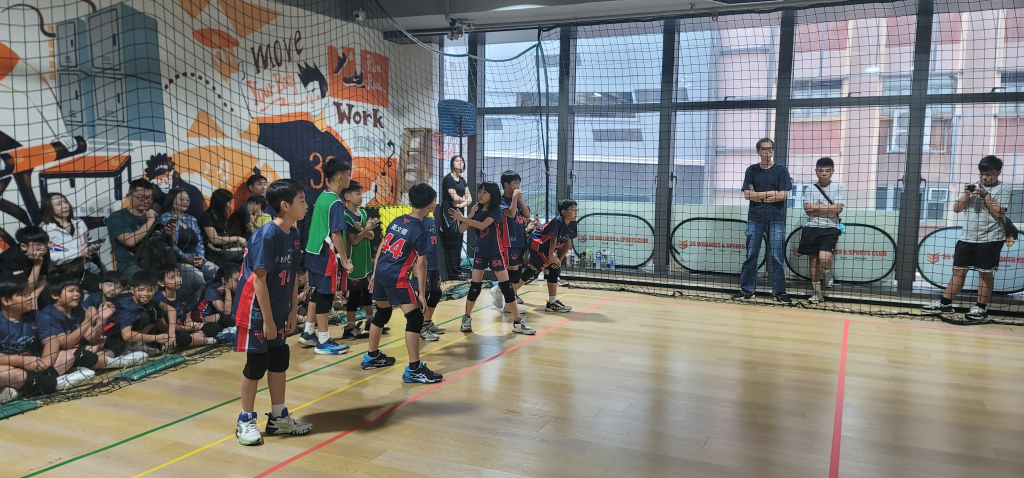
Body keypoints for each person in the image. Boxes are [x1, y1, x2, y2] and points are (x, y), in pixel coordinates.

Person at [233, 178, 312, 446]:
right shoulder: (267, 235)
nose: (306, 205)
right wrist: (267, 320)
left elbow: (291, 275)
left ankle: (278, 417)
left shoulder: (295, 233)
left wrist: (292, 309)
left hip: (278, 307)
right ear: (285, 205)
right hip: (256, 309)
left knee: (279, 359)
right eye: (302, 200)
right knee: (257, 363)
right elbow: (259, 282)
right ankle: (245, 420)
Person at [361, 183, 442, 383]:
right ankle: (414, 369)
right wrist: (421, 293)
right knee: (415, 318)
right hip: (396, 276)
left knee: (383, 312)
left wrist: (374, 273)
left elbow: (382, 245)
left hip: (381, 272)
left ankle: (372, 356)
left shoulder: (398, 220)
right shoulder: (421, 229)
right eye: (434, 200)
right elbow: (421, 264)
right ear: (430, 204)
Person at [922, 156, 1011, 320]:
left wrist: (985, 195)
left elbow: (999, 212)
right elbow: (956, 208)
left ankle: (980, 308)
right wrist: (966, 195)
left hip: (991, 238)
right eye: (982, 174)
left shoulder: (1004, 189)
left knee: (985, 274)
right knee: (958, 271)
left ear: (998, 172)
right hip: (967, 237)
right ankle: (945, 304)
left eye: (989, 174)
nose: (984, 177)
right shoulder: (973, 187)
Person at [451, 182, 534, 335]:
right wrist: (469, 215)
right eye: (480, 191)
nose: (481, 195)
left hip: (496, 253)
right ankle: (467, 318)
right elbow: (462, 229)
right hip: (480, 253)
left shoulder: (497, 210)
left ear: (493, 195)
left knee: (507, 287)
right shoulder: (477, 209)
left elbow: (483, 225)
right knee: (474, 287)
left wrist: (462, 217)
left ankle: (517, 321)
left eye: (485, 192)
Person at [1, 276, 99, 404]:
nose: (30, 297)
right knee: (6, 374)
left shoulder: (36, 315)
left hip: (34, 365)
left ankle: (22, 389)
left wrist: (46, 362)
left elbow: (52, 341)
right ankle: (55, 383)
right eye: (23, 295)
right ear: (6, 301)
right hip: (10, 366)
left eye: (29, 293)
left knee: (67, 357)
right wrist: (23, 361)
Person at [107, 179, 203, 303]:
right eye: (141, 197)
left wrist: (170, 233)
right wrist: (150, 221)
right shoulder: (118, 217)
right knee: (153, 287)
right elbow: (129, 241)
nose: (146, 201)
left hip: (158, 261)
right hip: (131, 263)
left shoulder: (155, 216)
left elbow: (170, 242)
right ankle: (160, 312)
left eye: (149, 198)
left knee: (195, 280)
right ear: (129, 196)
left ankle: (181, 309)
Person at [301, 158, 354, 355]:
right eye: (348, 175)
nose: (349, 178)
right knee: (325, 295)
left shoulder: (323, 196)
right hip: (326, 254)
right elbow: (336, 235)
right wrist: (345, 261)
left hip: (313, 251)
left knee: (318, 293)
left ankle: (308, 332)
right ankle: (323, 341)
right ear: (339, 177)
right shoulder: (336, 203)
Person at [37, 276, 148, 371]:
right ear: (55, 295)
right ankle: (117, 363)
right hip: (63, 356)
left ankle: (92, 363)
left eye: (78, 291)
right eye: (71, 291)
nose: (77, 294)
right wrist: (87, 322)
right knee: (82, 354)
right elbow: (66, 344)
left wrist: (102, 320)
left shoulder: (77, 310)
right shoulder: (48, 315)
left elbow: (91, 338)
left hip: (82, 349)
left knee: (116, 341)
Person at [732, 138, 793, 304]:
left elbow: (783, 195)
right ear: (758, 151)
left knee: (777, 256)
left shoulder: (781, 169)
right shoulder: (751, 170)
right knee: (751, 254)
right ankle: (747, 290)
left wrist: (758, 195)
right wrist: (769, 194)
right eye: (764, 149)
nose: (768, 152)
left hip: (776, 218)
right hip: (755, 217)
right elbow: (747, 195)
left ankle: (779, 292)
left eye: (770, 149)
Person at [336, 181, 380, 341]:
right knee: (354, 294)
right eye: (358, 194)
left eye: (361, 193)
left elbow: (371, 236)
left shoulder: (362, 213)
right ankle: (349, 327)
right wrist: (365, 229)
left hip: (365, 260)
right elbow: (354, 241)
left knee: (367, 291)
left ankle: (370, 321)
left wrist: (364, 230)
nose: (361, 197)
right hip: (353, 260)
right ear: (347, 197)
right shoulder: (345, 216)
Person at [798, 158, 845, 304]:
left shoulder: (838, 187)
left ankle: (827, 273)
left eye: (827, 171)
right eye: (820, 170)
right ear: (816, 171)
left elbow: (838, 209)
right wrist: (829, 209)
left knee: (825, 259)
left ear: (832, 171)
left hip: (830, 227)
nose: (823, 173)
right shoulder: (810, 189)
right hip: (811, 227)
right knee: (813, 262)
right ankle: (817, 293)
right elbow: (808, 211)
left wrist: (816, 208)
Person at [519, 199, 578, 313]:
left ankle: (510, 292)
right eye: (572, 209)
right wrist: (551, 258)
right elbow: (553, 241)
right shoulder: (558, 221)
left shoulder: (572, 223)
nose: (575, 212)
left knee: (533, 268)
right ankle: (552, 302)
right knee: (553, 266)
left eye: (576, 210)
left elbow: (568, 244)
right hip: (537, 244)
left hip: (545, 247)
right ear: (563, 212)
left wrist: (559, 259)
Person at [105, 271, 181, 357]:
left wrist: (171, 334)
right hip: (113, 336)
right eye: (141, 290)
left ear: (154, 290)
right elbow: (126, 335)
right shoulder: (126, 305)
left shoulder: (150, 299)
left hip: (129, 332)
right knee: (143, 316)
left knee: (152, 314)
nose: (146, 293)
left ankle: (136, 345)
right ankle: (127, 349)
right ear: (132, 290)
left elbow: (171, 310)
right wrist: (157, 338)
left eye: (150, 290)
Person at [40, 193, 102, 292]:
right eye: (59, 204)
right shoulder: (45, 229)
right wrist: (78, 252)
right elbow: (49, 257)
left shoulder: (79, 222)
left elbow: (88, 242)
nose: (65, 206)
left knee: (103, 288)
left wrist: (92, 248)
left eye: (65, 202)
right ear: (49, 208)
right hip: (58, 275)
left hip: (81, 271)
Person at [490, 171, 530, 314]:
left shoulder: (517, 200)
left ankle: (501, 292)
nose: (518, 186)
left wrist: (520, 199)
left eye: (519, 183)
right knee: (513, 272)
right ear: (506, 184)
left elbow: (527, 215)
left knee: (516, 272)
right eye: (515, 183)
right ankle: (507, 300)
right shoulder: (500, 201)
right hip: (508, 241)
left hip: (520, 240)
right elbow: (511, 214)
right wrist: (514, 198)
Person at [162, 187, 220, 285]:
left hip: (196, 258)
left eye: (188, 200)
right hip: (179, 260)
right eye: (181, 199)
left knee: (218, 273)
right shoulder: (166, 218)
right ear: (171, 200)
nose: (185, 202)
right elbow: (170, 244)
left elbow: (200, 241)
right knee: (198, 277)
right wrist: (185, 259)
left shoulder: (192, 219)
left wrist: (200, 257)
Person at [155, 268, 218, 348]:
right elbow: (163, 327)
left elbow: (188, 318)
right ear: (161, 282)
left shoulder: (182, 293)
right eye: (172, 277)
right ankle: (205, 340)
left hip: (186, 330)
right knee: (180, 337)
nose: (178, 279)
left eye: (179, 276)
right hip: (171, 333)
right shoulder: (157, 299)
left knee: (214, 326)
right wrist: (186, 329)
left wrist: (191, 324)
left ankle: (194, 339)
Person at [413, 210, 445, 341]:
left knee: (436, 293)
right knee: (423, 296)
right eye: (432, 201)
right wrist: (414, 265)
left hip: (433, 263)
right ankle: (420, 327)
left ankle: (427, 322)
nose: (434, 204)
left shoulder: (431, 219)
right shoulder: (417, 221)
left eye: (435, 201)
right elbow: (413, 244)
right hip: (422, 264)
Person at [439, 156, 472, 278]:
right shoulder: (448, 179)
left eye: (462, 161)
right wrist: (464, 201)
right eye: (457, 161)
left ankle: (457, 271)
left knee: (458, 243)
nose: (460, 163)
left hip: (459, 214)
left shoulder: (462, 180)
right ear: (452, 163)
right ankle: (452, 273)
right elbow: (455, 197)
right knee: (451, 244)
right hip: (449, 215)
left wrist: (462, 204)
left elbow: (470, 198)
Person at [0, 225, 51, 299]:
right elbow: (26, 289)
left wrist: (35, 295)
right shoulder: (11, 258)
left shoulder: (42, 252)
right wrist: (37, 264)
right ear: (23, 246)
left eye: (45, 244)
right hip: (10, 291)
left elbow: (43, 278)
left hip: (32, 287)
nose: (43, 248)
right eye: (38, 245)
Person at [201, 189, 247, 267]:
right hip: (212, 253)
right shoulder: (206, 216)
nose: (231, 206)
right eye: (229, 203)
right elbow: (215, 239)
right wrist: (237, 238)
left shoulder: (221, 216)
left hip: (222, 250)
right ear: (222, 203)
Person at [197, 264, 240, 343]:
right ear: (224, 280)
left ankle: (225, 333)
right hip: (202, 318)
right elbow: (226, 311)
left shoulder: (236, 289)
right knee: (224, 320)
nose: (239, 284)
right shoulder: (212, 289)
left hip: (219, 317)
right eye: (236, 281)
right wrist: (227, 290)